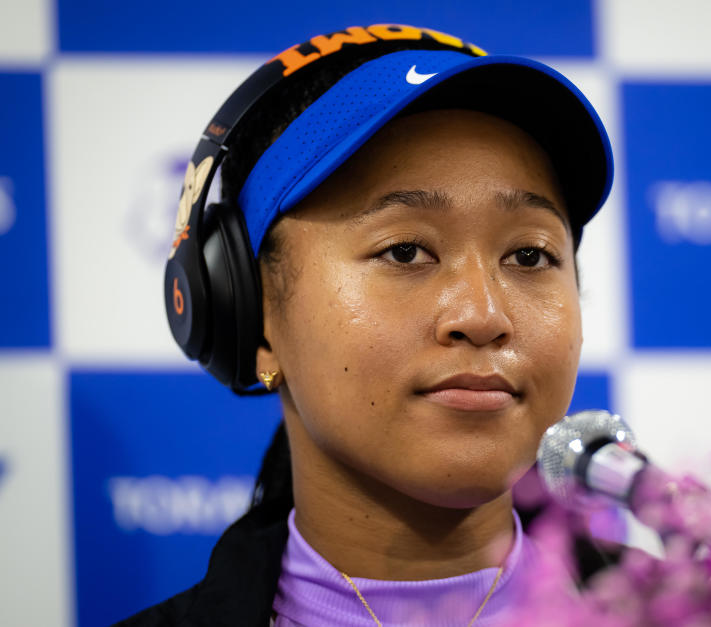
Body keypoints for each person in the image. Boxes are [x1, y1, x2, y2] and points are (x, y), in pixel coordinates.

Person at [121, 23, 613, 626]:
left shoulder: (700, 610)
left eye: (529, 256)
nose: (483, 315)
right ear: (251, 318)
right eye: (405, 251)